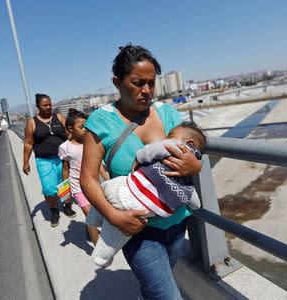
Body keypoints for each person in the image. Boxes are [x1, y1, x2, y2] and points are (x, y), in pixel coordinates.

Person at [81, 44, 202, 299]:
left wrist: (196, 165)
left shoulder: (168, 113)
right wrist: (114, 216)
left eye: (151, 83)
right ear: (117, 82)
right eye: (137, 83)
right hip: (137, 230)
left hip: (177, 222)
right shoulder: (101, 122)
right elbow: (88, 178)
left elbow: (189, 151)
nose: (146, 91)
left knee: (154, 291)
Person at [87, 122, 206, 267]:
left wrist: (139, 158)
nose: (166, 138)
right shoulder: (186, 181)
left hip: (127, 189)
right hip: (145, 212)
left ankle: (93, 220)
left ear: (188, 143)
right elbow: (194, 201)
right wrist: (197, 168)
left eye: (171, 136)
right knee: (115, 237)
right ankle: (102, 257)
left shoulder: (177, 146)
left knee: (106, 188)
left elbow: (153, 149)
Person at [23, 93, 76, 227]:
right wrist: (25, 162)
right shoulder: (32, 122)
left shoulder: (59, 117)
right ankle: (54, 210)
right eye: (44, 105)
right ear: (38, 106)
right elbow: (29, 143)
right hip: (44, 160)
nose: (48, 107)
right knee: (49, 189)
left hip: (62, 159)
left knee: (64, 184)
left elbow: (69, 134)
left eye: (50, 104)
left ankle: (67, 205)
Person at [58, 109, 109, 245]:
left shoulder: (91, 143)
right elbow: (65, 170)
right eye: (81, 127)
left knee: (100, 214)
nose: (85, 130)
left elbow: (98, 165)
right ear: (70, 129)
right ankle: (98, 248)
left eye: (86, 127)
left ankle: (91, 231)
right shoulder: (65, 147)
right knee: (91, 217)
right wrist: (65, 194)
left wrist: (107, 180)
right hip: (78, 188)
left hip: (94, 184)